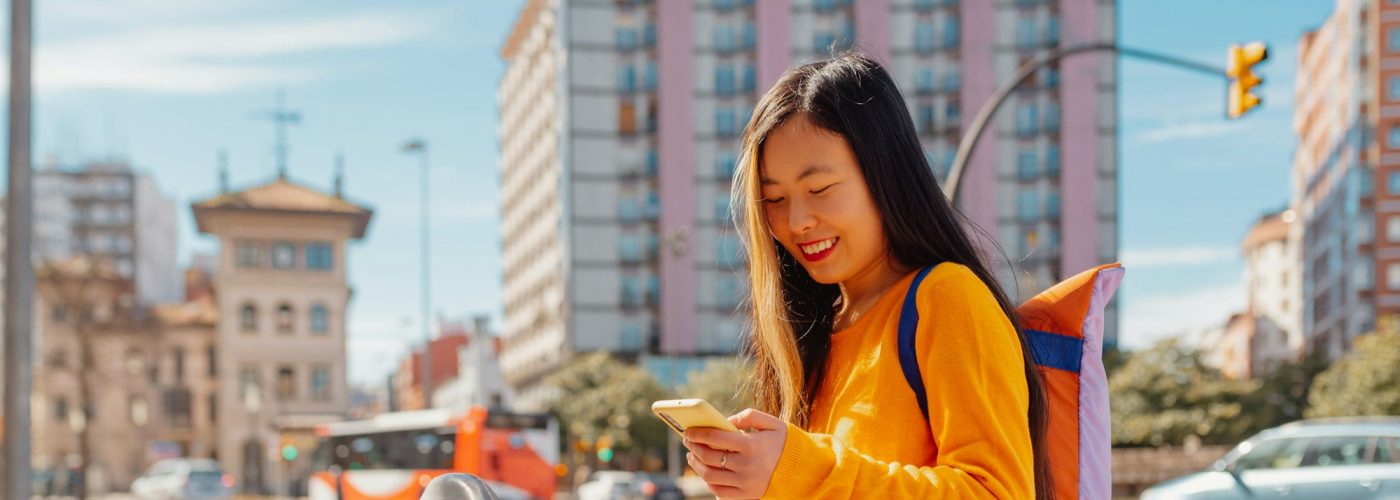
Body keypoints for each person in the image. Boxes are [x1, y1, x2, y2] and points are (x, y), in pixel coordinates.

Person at [681, 52, 1052, 499]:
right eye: (774, 199)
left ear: (884, 174)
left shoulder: (948, 297)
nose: (796, 221)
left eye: (819, 189)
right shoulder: (815, 331)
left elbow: (997, 492)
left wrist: (802, 472)